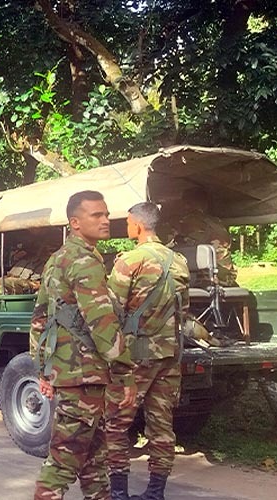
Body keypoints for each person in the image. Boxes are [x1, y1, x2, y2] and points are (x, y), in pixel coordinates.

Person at [30, 190, 136, 500]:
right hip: (84, 375)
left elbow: (39, 319)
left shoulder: (57, 259)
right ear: (75, 222)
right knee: (64, 462)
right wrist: (125, 372)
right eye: (97, 215)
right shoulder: (85, 261)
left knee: (93, 457)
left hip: (72, 373)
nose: (106, 221)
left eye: (106, 214)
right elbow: (102, 323)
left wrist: (43, 370)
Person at [105, 202, 190, 500]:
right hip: (169, 356)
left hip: (135, 358)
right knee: (161, 425)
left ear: (138, 226)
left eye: (128, 222)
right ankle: (155, 493)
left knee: (116, 423)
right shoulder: (178, 260)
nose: (127, 227)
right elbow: (184, 309)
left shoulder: (129, 261)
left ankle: (118, 494)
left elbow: (111, 310)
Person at [160, 187, 237, 286]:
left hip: (197, 280)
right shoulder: (216, 223)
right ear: (204, 205)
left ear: (186, 204)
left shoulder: (181, 224)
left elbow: (158, 246)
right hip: (222, 278)